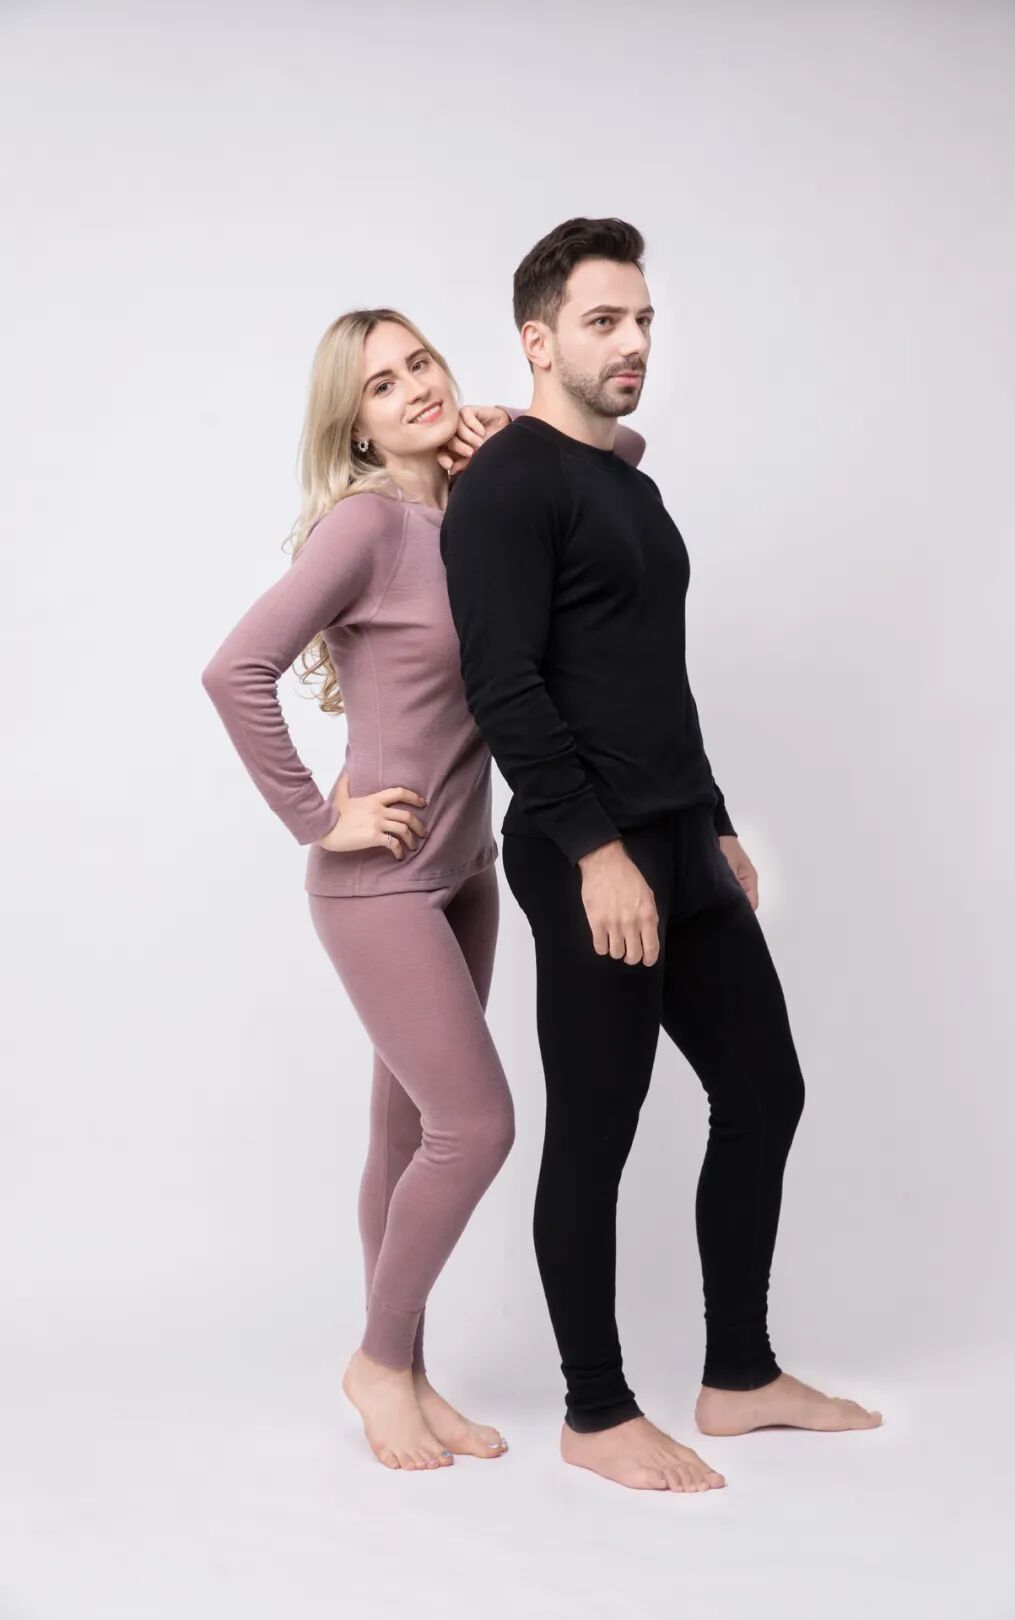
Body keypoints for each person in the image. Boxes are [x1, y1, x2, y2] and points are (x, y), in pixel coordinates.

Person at [440, 218, 882, 1495]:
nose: (634, 342)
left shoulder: (629, 488)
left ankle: (739, 1375)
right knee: (597, 1128)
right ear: (537, 341)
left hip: (680, 833)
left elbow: (649, 677)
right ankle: (595, 1411)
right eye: (604, 321)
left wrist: (714, 819)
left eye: (642, 320)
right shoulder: (507, 487)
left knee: (766, 1091)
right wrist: (597, 851)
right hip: (589, 850)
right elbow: (505, 685)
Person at [201, 306, 644, 1474]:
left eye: (421, 364)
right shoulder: (365, 527)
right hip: (380, 887)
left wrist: (505, 438)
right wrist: (319, 818)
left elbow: (620, 463)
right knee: (477, 1126)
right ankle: (378, 1364)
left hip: (467, 874)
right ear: (354, 424)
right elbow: (234, 669)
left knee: (406, 1132)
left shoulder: (481, 504)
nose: (413, 389)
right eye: (382, 385)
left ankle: (405, 1371)